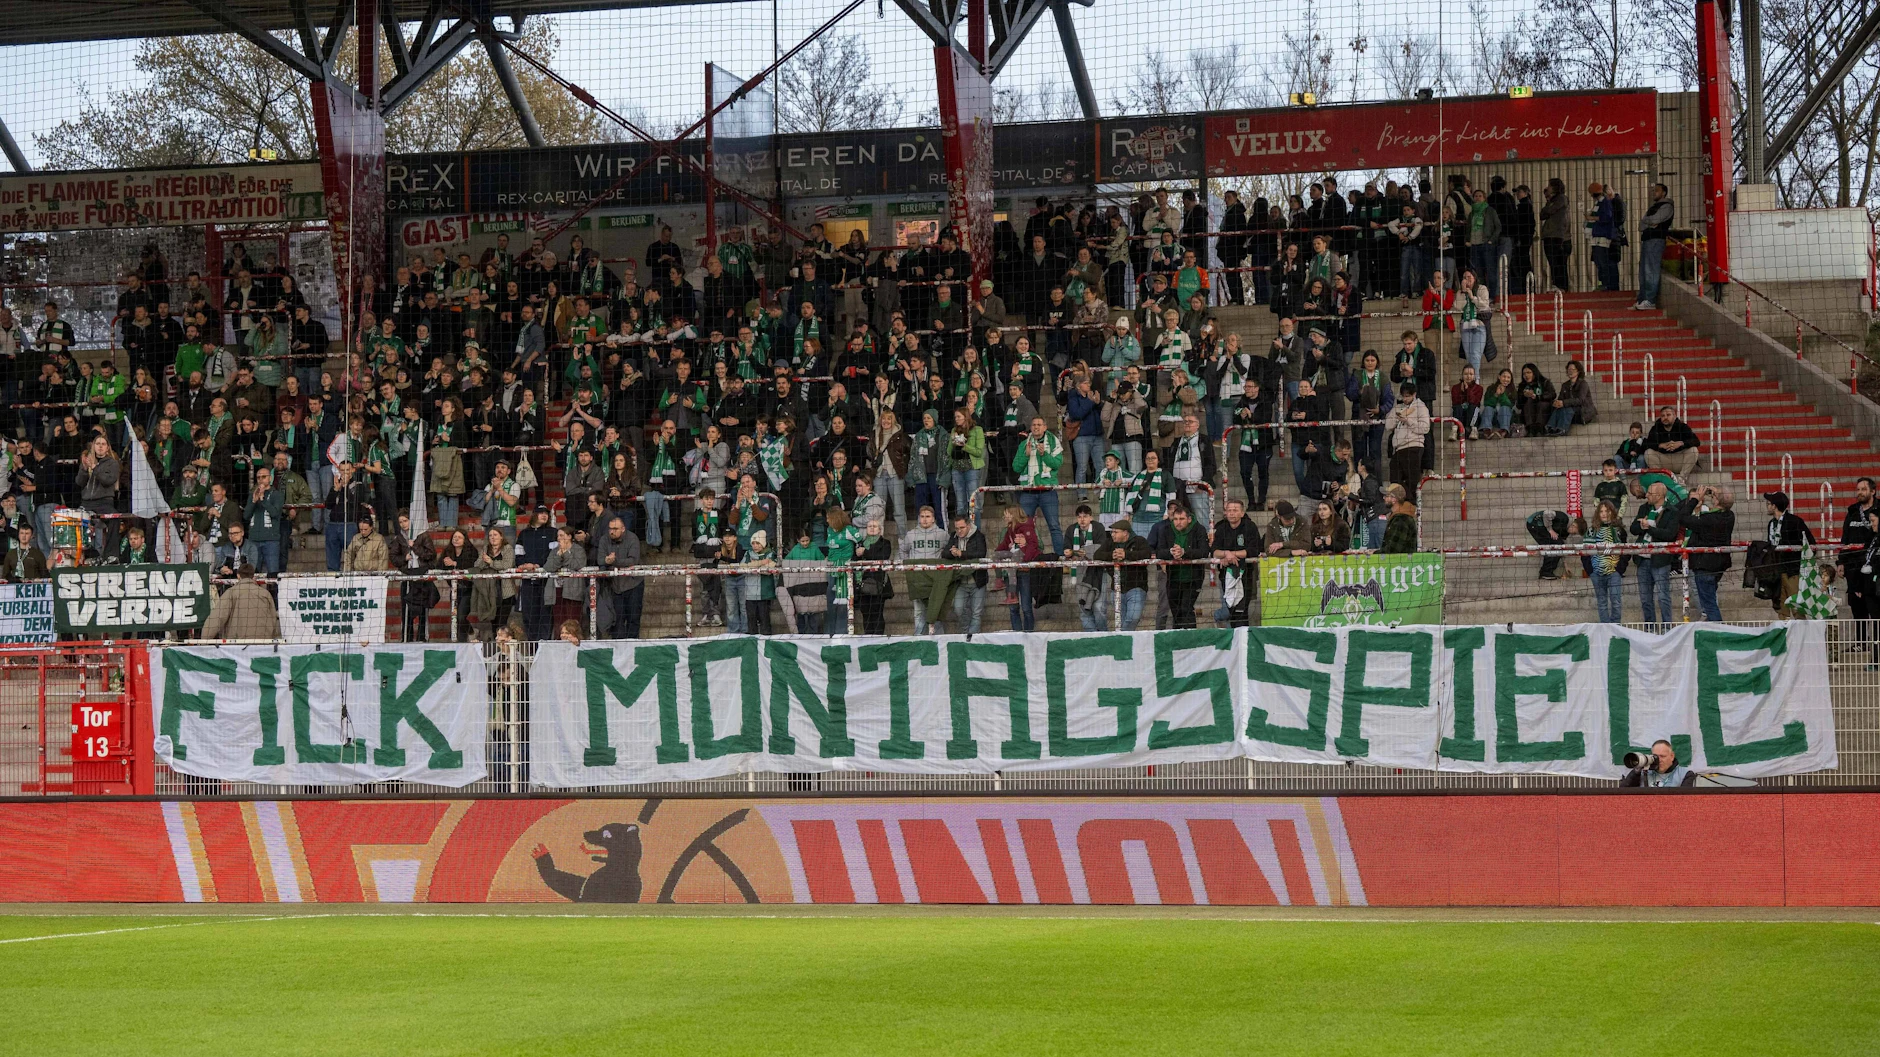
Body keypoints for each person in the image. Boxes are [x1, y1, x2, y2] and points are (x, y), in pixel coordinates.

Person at [1631, 480, 1682, 626]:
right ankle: (1650, 628)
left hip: (1660, 560)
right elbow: (1633, 529)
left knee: (1663, 597)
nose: (1646, 495)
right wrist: (1642, 526)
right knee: (1645, 598)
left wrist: (1649, 528)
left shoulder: (1672, 511)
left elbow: (1670, 534)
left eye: (1650, 493)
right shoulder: (1644, 508)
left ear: (1659, 495)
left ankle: (1667, 628)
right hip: (1642, 559)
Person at [1682, 485, 1735, 622]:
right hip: (1719, 565)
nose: (1711, 497)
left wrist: (1695, 500)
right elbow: (1723, 503)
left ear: (1717, 501)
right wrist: (1717, 492)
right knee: (1710, 599)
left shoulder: (1708, 520)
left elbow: (1682, 518)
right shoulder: (1730, 516)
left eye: (1714, 496)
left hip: (1704, 566)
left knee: (1709, 605)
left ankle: (1719, 634)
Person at [1012, 416, 1065, 554]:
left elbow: (1057, 464)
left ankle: (1060, 558)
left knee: (1054, 526)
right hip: (1028, 492)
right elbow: (1016, 467)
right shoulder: (1024, 445)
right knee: (1022, 527)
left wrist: (1044, 454)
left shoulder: (1053, 442)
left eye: (1039, 424)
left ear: (1045, 427)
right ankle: (1025, 556)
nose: (1036, 427)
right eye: (1034, 424)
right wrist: (1026, 455)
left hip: (1047, 491)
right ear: (1031, 427)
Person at [1087, 519, 1151, 632]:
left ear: (1125, 533)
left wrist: (1127, 554)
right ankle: (1124, 641)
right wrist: (1112, 555)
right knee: (1121, 621)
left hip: (1136, 587)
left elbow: (1147, 554)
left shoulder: (1139, 541)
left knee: (1133, 618)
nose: (1112, 534)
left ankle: (1122, 637)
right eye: (1112, 532)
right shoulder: (1109, 543)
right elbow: (1097, 555)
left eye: (1116, 532)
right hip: (1117, 588)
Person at [1764, 490, 1815, 618]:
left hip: (1792, 572)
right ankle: (1784, 637)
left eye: (1768, 503)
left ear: (1774, 506)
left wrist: (1800, 565)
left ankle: (1802, 636)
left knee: (1797, 609)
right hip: (1776, 572)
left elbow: (1811, 545)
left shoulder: (1795, 521)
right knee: (1781, 609)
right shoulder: (1771, 524)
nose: (1767, 505)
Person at [1156, 503, 1207, 629]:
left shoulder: (1199, 529)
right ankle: (1178, 639)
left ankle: (1191, 639)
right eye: (1176, 519)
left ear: (1189, 519)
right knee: (1176, 610)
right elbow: (1159, 551)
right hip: (1173, 577)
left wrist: (1184, 552)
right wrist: (1171, 552)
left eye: (1182, 519)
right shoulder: (1166, 530)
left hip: (1193, 577)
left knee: (1186, 608)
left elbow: (1204, 551)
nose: (1178, 522)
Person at [1212, 499, 1258, 626]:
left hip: (1246, 574)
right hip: (1226, 575)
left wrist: (1233, 554)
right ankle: (1232, 641)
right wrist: (1226, 553)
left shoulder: (1250, 527)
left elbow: (1254, 550)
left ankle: (1243, 641)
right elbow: (1214, 551)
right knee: (1230, 610)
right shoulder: (1221, 528)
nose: (1231, 513)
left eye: (1235, 510)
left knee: (1242, 611)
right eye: (1229, 510)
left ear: (1242, 513)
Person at [201, 565, 280, 640]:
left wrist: (204, 639)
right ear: (253, 576)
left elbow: (217, 618)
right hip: (262, 644)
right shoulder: (265, 594)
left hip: (237, 645)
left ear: (238, 576)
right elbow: (273, 618)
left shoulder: (231, 593)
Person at [597, 514, 644, 639]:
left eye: (615, 529)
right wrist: (607, 561)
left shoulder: (632, 538)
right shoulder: (604, 539)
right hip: (614, 585)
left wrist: (612, 561)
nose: (611, 532)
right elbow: (600, 559)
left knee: (633, 617)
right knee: (616, 619)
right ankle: (618, 646)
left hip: (632, 583)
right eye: (610, 529)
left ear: (623, 529)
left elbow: (632, 561)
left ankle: (632, 644)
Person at [995, 505, 1041, 631]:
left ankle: (1029, 633)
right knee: (1013, 608)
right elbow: (1004, 545)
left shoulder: (1028, 528)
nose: (1004, 517)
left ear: (1013, 514)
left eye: (1006, 514)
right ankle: (1016, 634)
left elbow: (1036, 545)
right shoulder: (1008, 529)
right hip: (1011, 568)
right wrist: (997, 552)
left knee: (1026, 607)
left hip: (1024, 570)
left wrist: (1025, 558)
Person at [944, 513, 988, 635]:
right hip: (960, 582)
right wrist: (952, 553)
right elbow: (944, 554)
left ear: (968, 525)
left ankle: (972, 639)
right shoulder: (953, 536)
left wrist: (961, 554)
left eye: (961, 528)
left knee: (977, 613)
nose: (959, 531)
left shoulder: (979, 536)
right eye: (957, 528)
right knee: (958, 609)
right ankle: (965, 634)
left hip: (978, 581)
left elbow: (981, 553)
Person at [1585, 499, 1628, 622]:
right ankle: (1606, 629)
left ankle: (1615, 629)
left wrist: (1619, 569)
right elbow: (1585, 552)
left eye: (1607, 511)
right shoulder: (1591, 531)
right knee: (1602, 602)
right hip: (1596, 572)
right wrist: (1590, 571)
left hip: (1614, 571)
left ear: (1612, 512)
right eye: (1601, 511)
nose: (1604, 514)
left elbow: (1625, 551)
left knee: (1616, 601)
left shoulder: (1619, 530)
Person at [1635, 184, 1674, 310]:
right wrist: (1649, 221)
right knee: (1643, 271)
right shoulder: (1653, 207)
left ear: (1663, 193)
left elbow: (1653, 220)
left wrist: (1648, 220)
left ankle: (1650, 300)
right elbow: (1641, 225)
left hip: (1656, 241)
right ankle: (1642, 299)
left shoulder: (1667, 206)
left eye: (1656, 190)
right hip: (1647, 240)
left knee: (1651, 270)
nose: (1654, 193)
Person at [1641, 405, 1701, 476]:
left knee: (1694, 450)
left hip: (1679, 460)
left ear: (1674, 416)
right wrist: (1660, 445)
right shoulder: (1656, 428)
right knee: (1648, 453)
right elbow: (1646, 444)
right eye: (1663, 416)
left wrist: (1681, 443)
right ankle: (1662, 478)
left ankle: (1682, 478)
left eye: (1668, 415)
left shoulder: (1682, 427)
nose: (1665, 417)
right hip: (1664, 460)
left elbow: (1696, 441)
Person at [1546, 360, 1598, 437]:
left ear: (1578, 371)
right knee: (1558, 408)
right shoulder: (1565, 385)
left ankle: (1562, 429)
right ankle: (1550, 428)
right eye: (1568, 369)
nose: (1570, 371)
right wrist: (1557, 403)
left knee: (1567, 409)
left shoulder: (1583, 384)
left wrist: (1564, 403)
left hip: (1583, 412)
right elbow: (1561, 399)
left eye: (1573, 369)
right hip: (1570, 413)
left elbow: (1580, 400)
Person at [1619, 739, 1696, 788]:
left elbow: (1686, 800)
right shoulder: (1644, 772)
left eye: (1662, 756)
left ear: (1672, 756)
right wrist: (1636, 772)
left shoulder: (1685, 774)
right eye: (1656, 756)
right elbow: (1622, 792)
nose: (1659, 760)